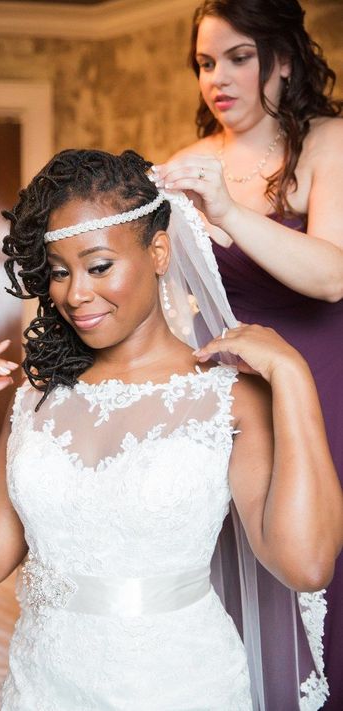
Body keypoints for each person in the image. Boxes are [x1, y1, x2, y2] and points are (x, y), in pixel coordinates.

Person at [0, 149, 342, 710]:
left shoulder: (229, 398)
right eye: (59, 271)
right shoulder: (37, 399)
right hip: (43, 686)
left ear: (158, 251)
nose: (75, 294)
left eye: (99, 266)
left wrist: (292, 376)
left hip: (182, 687)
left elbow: (307, 564)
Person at [151, 0, 343, 705]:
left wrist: (227, 213)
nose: (217, 78)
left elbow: (332, 275)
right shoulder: (190, 164)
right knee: (231, 564)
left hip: (325, 382)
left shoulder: (330, 144)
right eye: (205, 63)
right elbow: (164, 296)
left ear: (283, 61)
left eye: (237, 57)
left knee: (320, 560)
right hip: (230, 400)